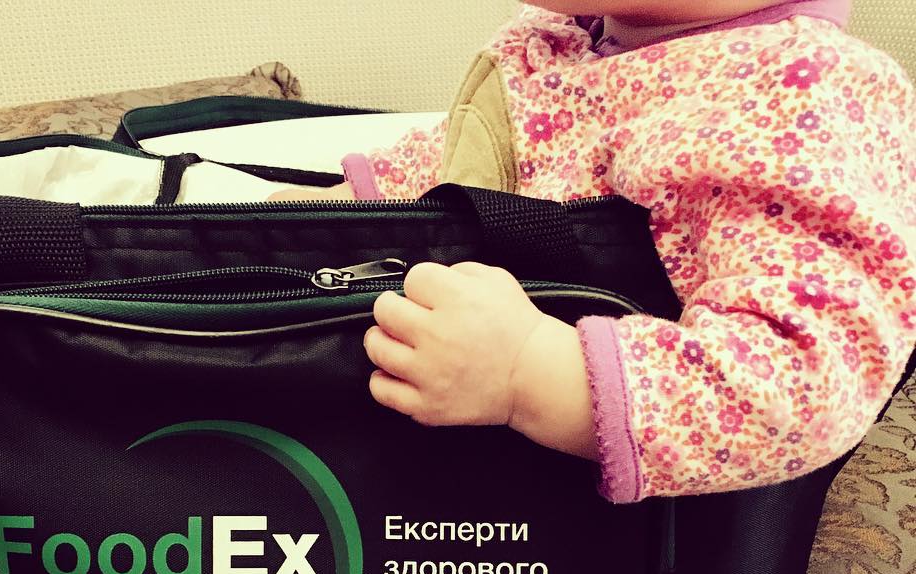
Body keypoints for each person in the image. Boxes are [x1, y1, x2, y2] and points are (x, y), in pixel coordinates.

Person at [269, 0, 916, 502]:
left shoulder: (801, 93)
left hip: (605, 545)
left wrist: (529, 373)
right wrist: (330, 212)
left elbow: (802, 383)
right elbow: (479, 152)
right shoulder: (569, 35)